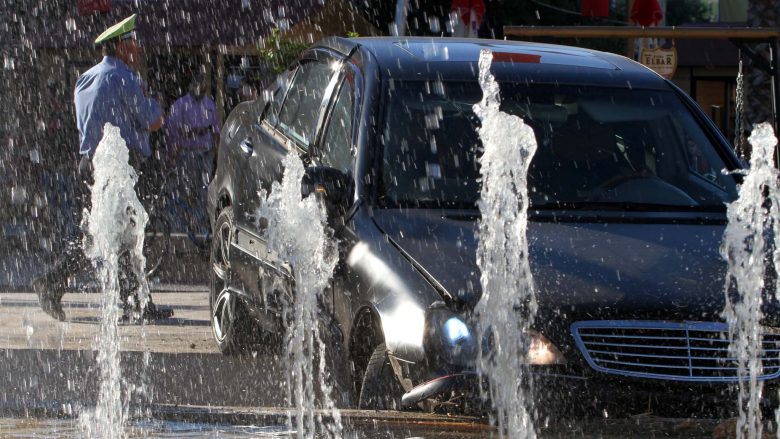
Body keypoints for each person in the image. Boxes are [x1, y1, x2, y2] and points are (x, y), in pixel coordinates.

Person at [32, 14, 173, 322]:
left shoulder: (85, 78)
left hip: (90, 165)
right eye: (132, 42)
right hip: (122, 168)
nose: (137, 48)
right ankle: (131, 301)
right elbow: (152, 121)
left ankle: (131, 301)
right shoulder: (124, 77)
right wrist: (156, 103)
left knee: (100, 234)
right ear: (120, 47)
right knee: (122, 235)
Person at [164, 72, 220, 219]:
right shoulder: (180, 105)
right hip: (187, 152)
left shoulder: (209, 104)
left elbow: (215, 129)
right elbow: (172, 130)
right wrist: (172, 152)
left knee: (204, 187)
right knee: (187, 187)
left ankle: (200, 218)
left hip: (206, 152)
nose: (200, 90)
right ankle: (186, 218)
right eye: (198, 86)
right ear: (191, 86)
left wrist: (216, 151)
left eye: (203, 87)